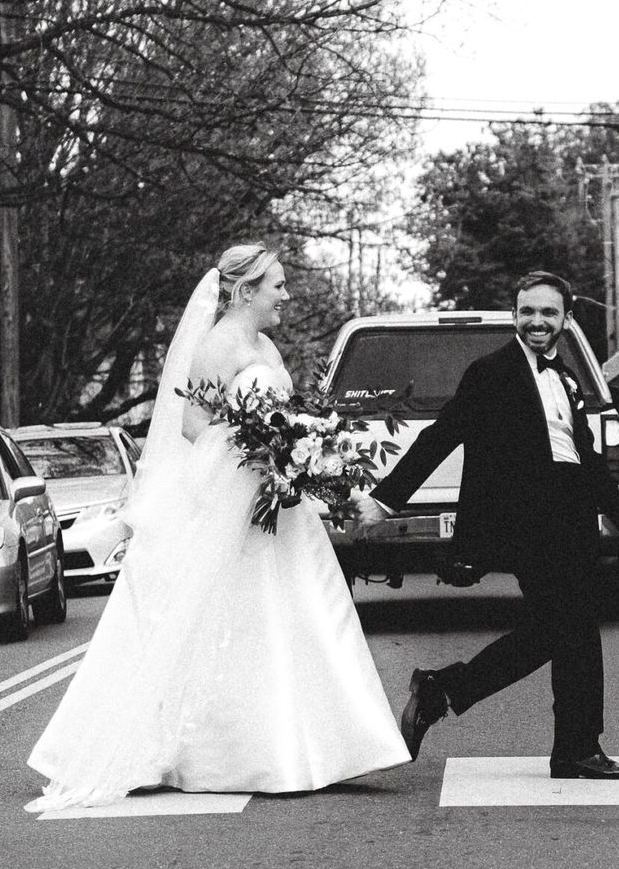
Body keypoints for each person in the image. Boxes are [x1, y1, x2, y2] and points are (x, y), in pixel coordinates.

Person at [25, 245, 409, 812]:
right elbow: (192, 424)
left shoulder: (267, 346)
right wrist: (262, 452)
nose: (286, 295)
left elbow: (282, 412)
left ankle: (325, 745)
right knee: (231, 615)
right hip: (237, 497)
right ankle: (224, 752)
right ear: (247, 290)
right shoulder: (216, 346)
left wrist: (299, 453)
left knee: (304, 610)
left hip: (278, 499)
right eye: (278, 286)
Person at [354, 270, 619, 781]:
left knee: (564, 630)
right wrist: (386, 501)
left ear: (565, 319)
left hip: (572, 516)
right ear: (516, 314)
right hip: (528, 521)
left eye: (548, 313)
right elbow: (442, 436)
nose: (537, 322)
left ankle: (550, 738)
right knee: (569, 626)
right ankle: (555, 738)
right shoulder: (491, 372)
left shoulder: (565, 379)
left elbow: (582, 458)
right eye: (527, 312)